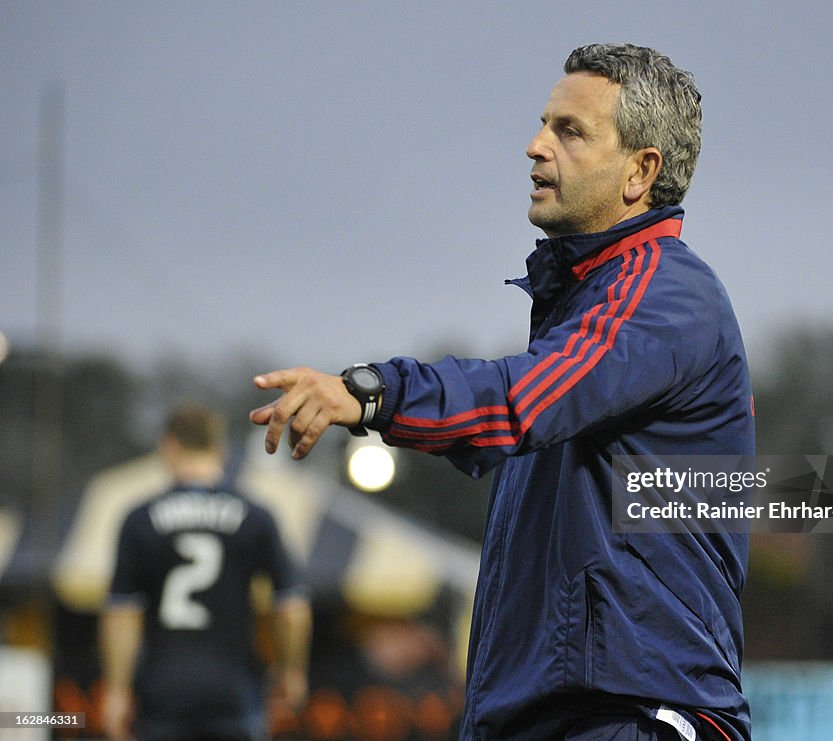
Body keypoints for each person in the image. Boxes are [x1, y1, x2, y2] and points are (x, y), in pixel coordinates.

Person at [251, 43, 754, 741]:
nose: (535, 146)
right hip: (554, 716)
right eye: (545, 123)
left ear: (642, 171)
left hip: (635, 715)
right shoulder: (588, 302)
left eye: (569, 130)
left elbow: (516, 399)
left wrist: (374, 393)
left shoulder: (666, 293)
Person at [100, 404, 312, 741]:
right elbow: (290, 607)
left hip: (162, 693)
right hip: (234, 692)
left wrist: (116, 691)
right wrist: (291, 671)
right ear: (221, 450)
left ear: (168, 446)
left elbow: (122, 613)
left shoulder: (139, 519)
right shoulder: (255, 515)